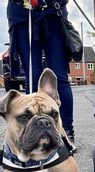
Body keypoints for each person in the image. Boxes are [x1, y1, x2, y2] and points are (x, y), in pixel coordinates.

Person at [7, 0, 76, 147]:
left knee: (60, 78)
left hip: (53, 12)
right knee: (32, 77)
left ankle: (66, 132)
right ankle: (30, 134)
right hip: (23, 13)